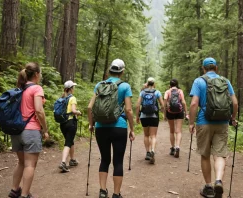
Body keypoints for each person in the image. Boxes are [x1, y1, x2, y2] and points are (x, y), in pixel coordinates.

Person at [189, 57, 238, 198]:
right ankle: (218, 180)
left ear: (204, 68)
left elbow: (193, 104)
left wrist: (191, 123)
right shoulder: (225, 81)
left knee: (205, 155)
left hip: (204, 121)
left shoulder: (199, 81)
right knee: (220, 154)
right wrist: (232, 118)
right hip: (222, 122)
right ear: (216, 68)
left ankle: (209, 186)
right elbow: (234, 103)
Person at [87, 59, 135, 198]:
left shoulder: (99, 85)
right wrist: (132, 128)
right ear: (122, 72)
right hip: (119, 127)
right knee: (118, 161)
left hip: (101, 127)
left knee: (104, 159)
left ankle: (102, 191)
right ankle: (116, 194)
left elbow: (90, 107)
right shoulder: (125, 86)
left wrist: (91, 124)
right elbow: (128, 110)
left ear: (109, 71)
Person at [8, 62, 49, 198]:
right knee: (30, 164)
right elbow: (39, 110)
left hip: (17, 131)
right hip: (31, 131)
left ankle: (15, 190)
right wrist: (45, 128)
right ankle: (24, 194)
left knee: (21, 162)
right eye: (40, 73)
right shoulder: (36, 88)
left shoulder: (20, 88)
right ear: (36, 74)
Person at [135, 77, 164, 164]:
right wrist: (162, 112)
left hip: (144, 116)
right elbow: (163, 105)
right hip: (154, 116)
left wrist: (137, 116)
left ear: (147, 84)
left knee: (146, 135)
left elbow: (137, 105)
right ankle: (152, 150)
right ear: (154, 84)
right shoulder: (157, 92)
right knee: (153, 136)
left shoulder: (142, 92)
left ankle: (148, 153)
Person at [58, 80, 82, 172]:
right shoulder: (72, 98)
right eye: (73, 87)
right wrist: (78, 112)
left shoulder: (62, 98)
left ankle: (72, 160)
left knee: (69, 140)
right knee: (68, 142)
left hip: (62, 123)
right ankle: (63, 162)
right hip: (71, 123)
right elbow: (73, 110)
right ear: (71, 89)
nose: (74, 89)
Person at [164, 79, 188, 158]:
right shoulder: (180, 91)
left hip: (170, 112)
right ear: (177, 84)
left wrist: (165, 115)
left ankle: (173, 148)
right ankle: (178, 146)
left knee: (172, 131)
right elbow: (183, 102)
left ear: (170, 85)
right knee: (178, 131)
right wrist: (186, 113)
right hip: (179, 112)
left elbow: (165, 105)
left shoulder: (167, 92)